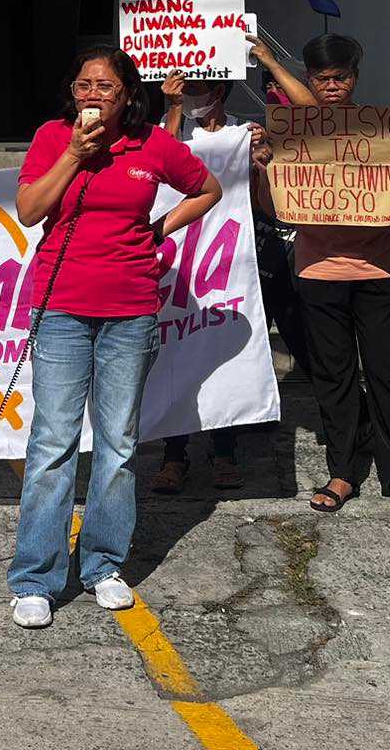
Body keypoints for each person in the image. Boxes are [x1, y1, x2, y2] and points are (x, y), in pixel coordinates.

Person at [8, 46, 222, 628]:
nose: (92, 95)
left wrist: (160, 228)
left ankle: (103, 564)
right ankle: (35, 577)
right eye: (82, 86)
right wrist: (75, 155)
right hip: (60, 308)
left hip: (130, 311)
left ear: (127, 93)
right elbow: (29, 210)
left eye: (104, 86)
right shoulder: (54, 137)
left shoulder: (152, 145)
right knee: (52, 444)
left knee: (119, 443)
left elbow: (208, 190)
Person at [279, 34, 390, 520]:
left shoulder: (382, 130)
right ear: (309, 80)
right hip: (318, 271)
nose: (331, 86)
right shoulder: (294, 134)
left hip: (379, 270)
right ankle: (343, 470)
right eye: (322, 79)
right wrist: (266, 168)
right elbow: (277, 210)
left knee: (387, 374)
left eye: (340, 77)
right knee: (334, 377)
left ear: (355, 77)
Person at [151, 71, 246, 493]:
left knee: (222, 352)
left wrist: (257, 158)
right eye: (180, 90)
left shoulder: (243, 134)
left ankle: (224, 450)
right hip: (178, 260)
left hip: (226, 260)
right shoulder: (168, 131)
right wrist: (171, 107)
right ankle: (175, 454)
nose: (187, 96)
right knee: (176, 353)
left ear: (218, 91)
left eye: (192, 89)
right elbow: (159, 157)